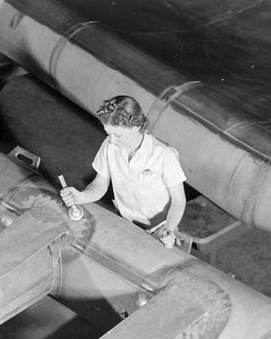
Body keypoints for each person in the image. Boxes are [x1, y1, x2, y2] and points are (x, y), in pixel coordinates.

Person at [60, 95, 187, 247]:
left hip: (160, 228)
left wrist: (169, 230)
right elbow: (100, 185)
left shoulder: (164, 155)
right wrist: (82, 197)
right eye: (108, 133)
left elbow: (179, 201)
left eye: (118, 135)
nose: (112, 140)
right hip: (127, 224)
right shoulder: (110, 145)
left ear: (136, 127)